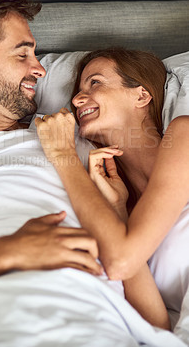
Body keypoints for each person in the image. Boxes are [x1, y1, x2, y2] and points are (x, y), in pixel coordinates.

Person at [0, 0, 169, 334]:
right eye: (22, 55)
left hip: (109, 330)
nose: (39, 68)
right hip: (6, 324)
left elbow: (148, 308)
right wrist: (8, 252)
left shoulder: (82, 138)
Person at [35, 47, 189, 326]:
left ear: (141, 95)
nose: (78, 99)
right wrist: (118, 210)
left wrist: (63, 156)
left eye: (95, 82)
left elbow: (121, 262)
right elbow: (157, 326)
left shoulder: (183, 134)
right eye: (77, 92)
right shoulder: (122, 211)